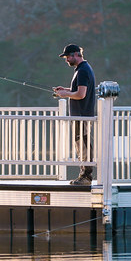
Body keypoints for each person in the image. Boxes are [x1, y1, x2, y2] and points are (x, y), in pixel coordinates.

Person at [53, 44, 96, 185]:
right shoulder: (82, 69)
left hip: (82, 115)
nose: (66, 60)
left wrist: (65, 95)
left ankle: (86, 177)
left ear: (76, 54)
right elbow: (77, 90)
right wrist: (65, 90)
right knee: (81, 143)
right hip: (80, 115)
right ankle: (84, 175)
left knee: (83, 144)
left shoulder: (83, 70)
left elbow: (81, 94)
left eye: (67, 57)